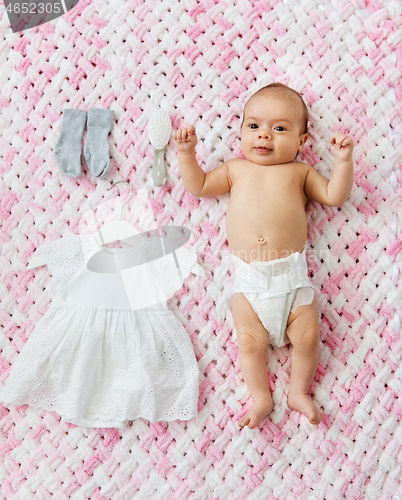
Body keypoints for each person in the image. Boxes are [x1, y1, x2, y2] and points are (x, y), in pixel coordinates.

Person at [173, 83, 354, 428]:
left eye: (280, 128)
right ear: (241, 132)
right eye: (254, 126)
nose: (264, 137)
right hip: (251, 281)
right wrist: (186, 155)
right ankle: (260, 398)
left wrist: (343, 163)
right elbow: (198, 186)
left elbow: (334, 195)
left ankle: (298, 391)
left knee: (308, 335)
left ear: (301, 142)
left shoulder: (299, 173)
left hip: (292, 278)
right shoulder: (234, 169)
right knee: (249, 341)